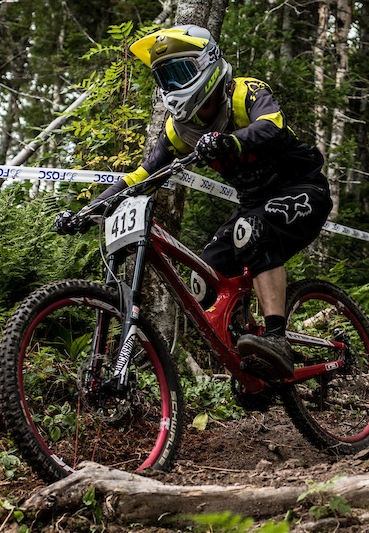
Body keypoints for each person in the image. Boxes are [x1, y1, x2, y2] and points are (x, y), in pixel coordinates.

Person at [56, 24, 332, 381]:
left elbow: (273, 125)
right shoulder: (180, 130)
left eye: (180, 72)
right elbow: (143, 176)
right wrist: (89, 210)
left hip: (304, 188)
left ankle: (276, 337)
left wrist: (229, 142)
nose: (172, 85)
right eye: (164, 77)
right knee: (203, 280)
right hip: (254, 202)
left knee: (253, 232)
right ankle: (251, 365)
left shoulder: (244, 93)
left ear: (209, 64)